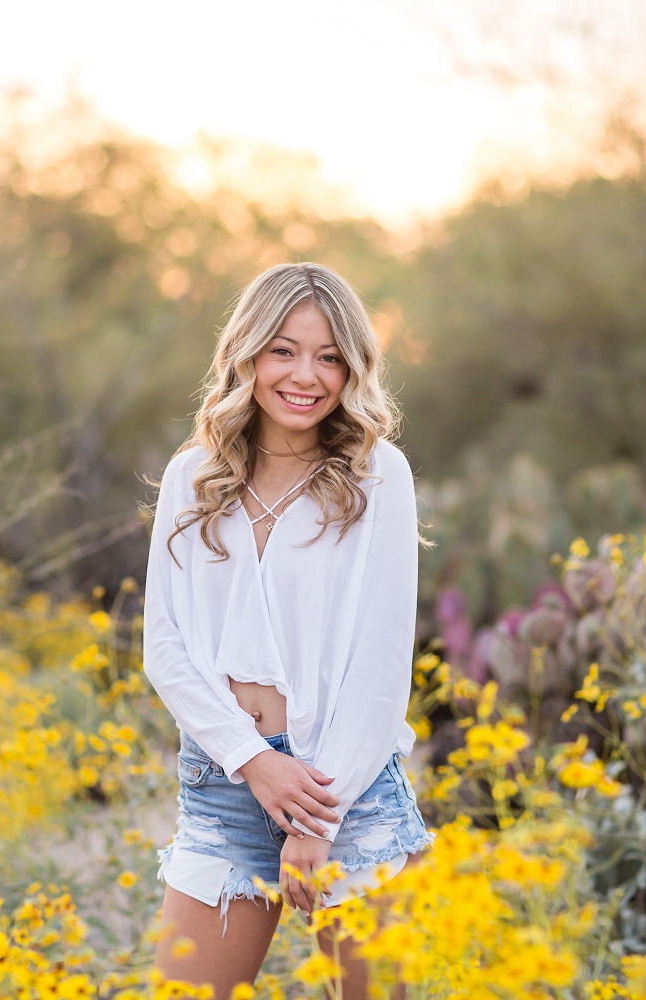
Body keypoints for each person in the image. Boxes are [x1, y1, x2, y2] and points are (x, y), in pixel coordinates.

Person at [143, 262, 433, 995]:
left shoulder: (378, 477)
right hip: (227, 783)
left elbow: (380, 664)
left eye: (330, 356)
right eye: (284, 349)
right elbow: (166, 648)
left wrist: (316, 819)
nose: (307, 375)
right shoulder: (192, 478)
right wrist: (254, 761)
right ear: (245, 353)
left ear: (353, 368)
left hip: (349, 793)